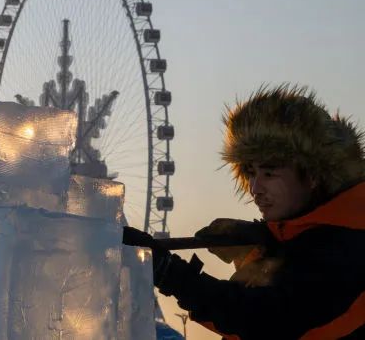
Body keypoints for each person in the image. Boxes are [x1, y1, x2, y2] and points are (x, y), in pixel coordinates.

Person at [152, 85, 365, 339]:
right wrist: (262, 243)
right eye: (250, 173)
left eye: (269, 173)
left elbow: (265, 318)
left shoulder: (350, 250)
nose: (255, 188)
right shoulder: (307, 243)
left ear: (312, 176)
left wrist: (171, 274)